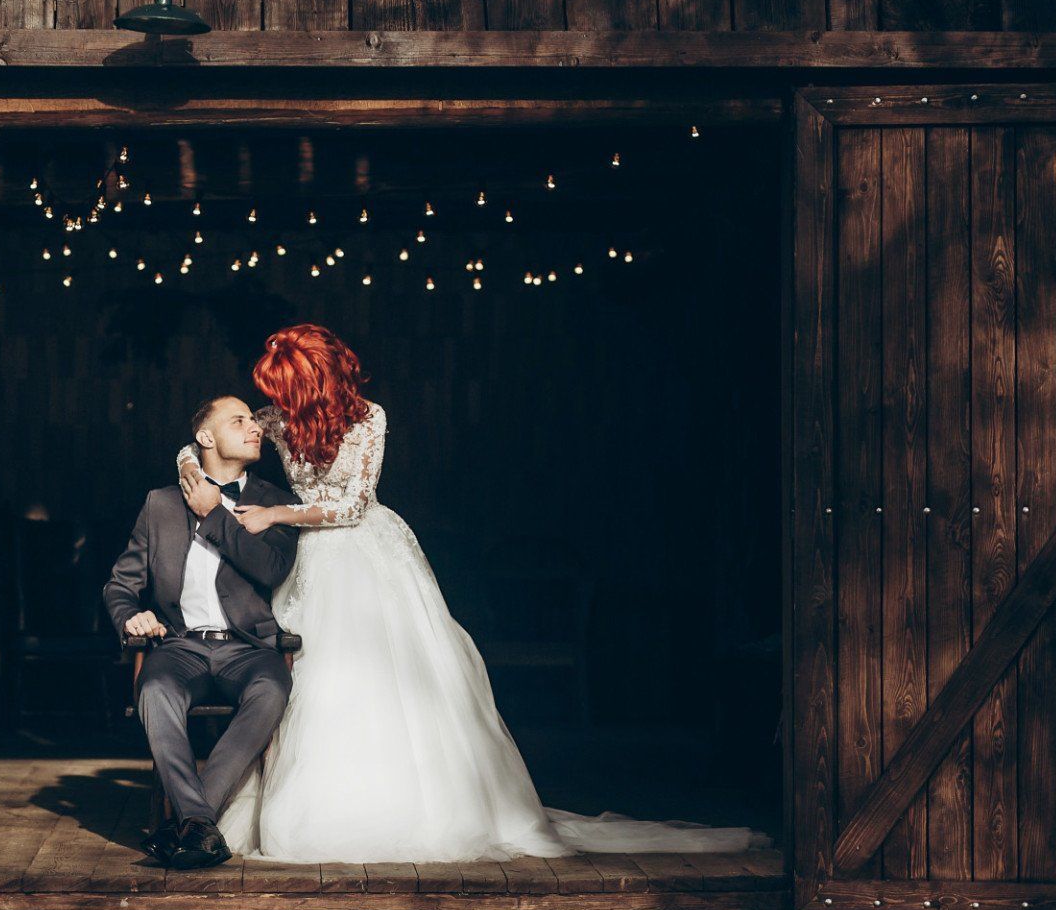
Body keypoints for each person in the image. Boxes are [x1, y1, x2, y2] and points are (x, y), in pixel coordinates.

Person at [175, 323, 772, 864]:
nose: (272, 404)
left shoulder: (369, 418)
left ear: (315, 379)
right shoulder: (278, 418)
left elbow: (354, 505)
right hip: (311, 564)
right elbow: (202, 441)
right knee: (309, 680)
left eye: (284, 388)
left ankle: (402, 811)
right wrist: (188, 462)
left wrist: (278, 511)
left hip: (364, 553)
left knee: (393, 681)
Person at [104, 394, 305, 869]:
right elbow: (120, 585)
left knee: (272, 690)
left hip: (249, 648)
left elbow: (272, 569)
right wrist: (131, 616)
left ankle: (189, 823)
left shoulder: (275, 501)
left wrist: (215, 514)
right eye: (239, 421)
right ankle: (199, 824)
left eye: (255, 422)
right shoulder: (159, 504)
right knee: (153, 690)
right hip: (179, 646)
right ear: (206, 438)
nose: (255, 429)